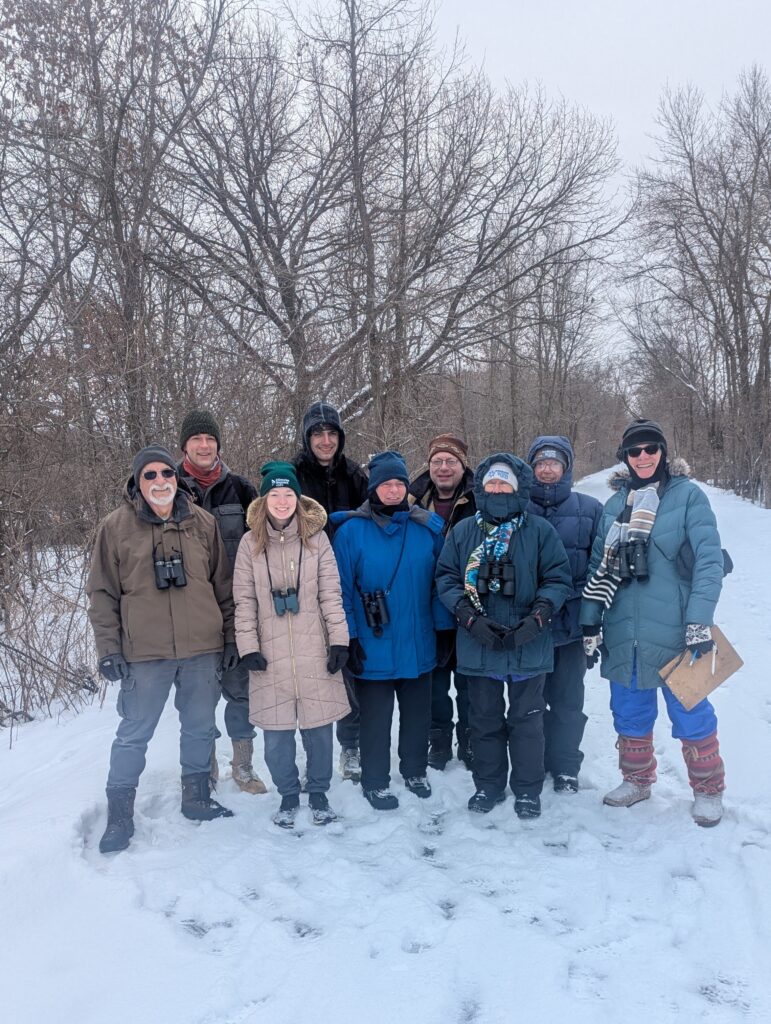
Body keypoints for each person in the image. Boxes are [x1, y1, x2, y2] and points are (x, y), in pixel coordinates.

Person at [87, 445, 237, 854]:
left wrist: (229, 638)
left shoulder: (201, 524)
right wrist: (108, 647)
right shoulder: (115, 528)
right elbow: (102, 594)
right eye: (149, 475)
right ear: (137, 482)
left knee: (200, 726)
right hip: (144, 653)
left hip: (201, 649)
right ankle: (119, 812)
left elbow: (223, 587)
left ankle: (196, 797)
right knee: (134, 733)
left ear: (177, 478)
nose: (159, 482)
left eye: (166, 474)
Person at [580, 419, 727, 826]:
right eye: (634, 451)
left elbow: (710, 562)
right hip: (624, 629)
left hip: (678, 629)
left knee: (691, 711)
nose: (643, 456)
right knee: (628, 711)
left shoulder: (688, 497)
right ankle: (638, 780)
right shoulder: (615, 505)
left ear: (663, 452)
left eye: (650, 448)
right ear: (624, 458)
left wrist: (700, 620)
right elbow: (597, 568)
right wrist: (590, 624)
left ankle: (708, 789)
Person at [435, 454, 571, 819]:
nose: (497, 489)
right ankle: (489, 785)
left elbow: (558, 578)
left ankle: (527, 790)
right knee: (484, 720)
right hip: (479, 642)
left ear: (518, 488)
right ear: (481, 487)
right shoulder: (464, 532)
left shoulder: (540, 531)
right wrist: (467, 617)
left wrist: (538, 617)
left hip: (529, 641)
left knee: (527, 720)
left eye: (504, 483)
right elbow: (446, 578)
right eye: (492, 483)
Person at [331, 451, 453, 810]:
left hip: (418, 640)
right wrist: (350, 636)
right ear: (374, 487)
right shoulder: (351, 531)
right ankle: (375, 779)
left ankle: (414, 770)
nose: (394, 490)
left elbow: (439, 583)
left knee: (418, 713)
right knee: (375, 717)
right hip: (373, 643)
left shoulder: (426, 528)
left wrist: (444, 630)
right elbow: (341, 589)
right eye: (386, 484)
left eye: (399, 483)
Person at [232, 462, 350, 828]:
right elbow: (244, 600)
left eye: (288, 495)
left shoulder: (318, 541)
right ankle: (287, 794)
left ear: (298, 499)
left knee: (319, 730)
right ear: (264, 499)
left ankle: (318, 792)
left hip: (314, 648)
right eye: (274, 495)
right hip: (271, 655)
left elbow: (332, 595)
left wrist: (339, 641)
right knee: (276, 735)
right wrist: (248, 646)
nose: (282, 501)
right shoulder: (249, 543)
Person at [177, 410, 266, 795]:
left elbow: (262, 546)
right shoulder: (169, 490)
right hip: (189, 613)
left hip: (236, 609)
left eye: (210, 439)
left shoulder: (241, 489)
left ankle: (242, 765)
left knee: (241, 690)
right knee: (197, 697)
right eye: (196, 439)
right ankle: (205, 764)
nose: (204, 445)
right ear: (184, 446)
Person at [292, 400, 369, 782]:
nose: (325, 440)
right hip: (302, 582)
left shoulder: (356, 477)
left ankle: (350, 747)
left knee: (349, 667)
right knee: (311, 671)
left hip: (347, 582)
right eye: (318, 433)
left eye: (332, 433)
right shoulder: (291, 475)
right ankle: (312, 751)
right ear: (307, 438)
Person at [526, 436, 603, 792]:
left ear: (566, 467)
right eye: (540, 462)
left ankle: (566, 766)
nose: (546, 468)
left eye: (554, 462)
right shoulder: (517, 509)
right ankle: (534, 761)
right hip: (529, 627)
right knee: (529, 702)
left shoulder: (589, 509)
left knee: (569, 702)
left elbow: (602, 565)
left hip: (571, 625)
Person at [409, 433, 476, 770]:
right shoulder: (412, 501)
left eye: (451, 461)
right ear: (429, 465)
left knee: (468, 680)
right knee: (434, 683)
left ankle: (469, 739)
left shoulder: (480, 499)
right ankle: (438, 740)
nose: (444, 467)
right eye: (437, 461)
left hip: (470, 605)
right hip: (425, 605)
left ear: (463, 466)